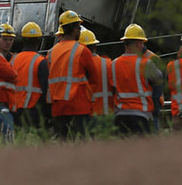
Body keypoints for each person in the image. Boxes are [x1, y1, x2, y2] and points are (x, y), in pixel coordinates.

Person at [47, 11, 98, 140]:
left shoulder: (51, 52)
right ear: (74, 29)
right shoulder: (82, 50)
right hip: (78, 105)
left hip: (58, 106)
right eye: (79, 27)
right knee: (79, 144)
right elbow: (94, 77)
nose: (80, 31)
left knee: (61, 143)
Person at [110, 24, 162, 136]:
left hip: (120, 116)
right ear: (138, 44)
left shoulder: (114, 64)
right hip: (141, 115)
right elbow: (159, 81)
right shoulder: (145, 63)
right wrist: (156, 104)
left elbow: (111, 89)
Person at [10, 22, 48, 129]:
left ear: (23, 39)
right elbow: (46, 91)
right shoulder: (41, 62)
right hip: (33, 111)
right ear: (39, 40)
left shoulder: (13, 60)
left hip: (14, 110)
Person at [81, 28, 113, 117]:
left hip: (89, 113)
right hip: (108, 112)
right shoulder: (108, 63)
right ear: (95, 46)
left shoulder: (80, 65)